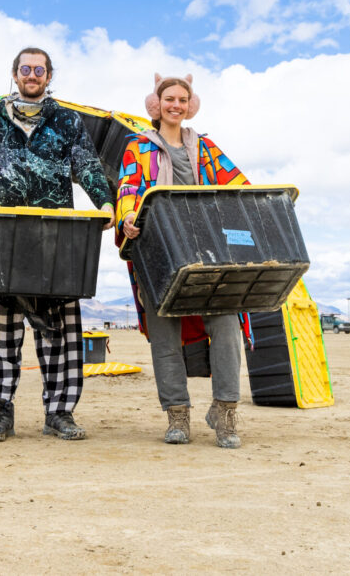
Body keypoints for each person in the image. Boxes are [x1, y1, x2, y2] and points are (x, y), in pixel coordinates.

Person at [0, 47, 115, 442]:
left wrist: (104, 201)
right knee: (4, 329)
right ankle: (2, 410)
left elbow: (86, 165)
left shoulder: (67, 121)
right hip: (2, 236)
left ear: (49, 76)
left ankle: (59, 412)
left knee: (60, 327)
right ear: (14, 74)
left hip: (56, 235)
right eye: (25, 69)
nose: (32, 75)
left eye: (39, 69)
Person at [116, 73, 250, 448]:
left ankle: (224, 413)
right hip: (158, 253)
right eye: (169, 98)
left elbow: (237, 184)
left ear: (190, 105)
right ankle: (177, 416)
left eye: (182, 99)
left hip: (208, 254)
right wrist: (129, 215)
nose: (176, 105)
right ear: (157, 104)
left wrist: (260, 210)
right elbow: (128, 188)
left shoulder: (206, 148)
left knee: (225, 325)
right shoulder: (138, 148)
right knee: (164, 335)